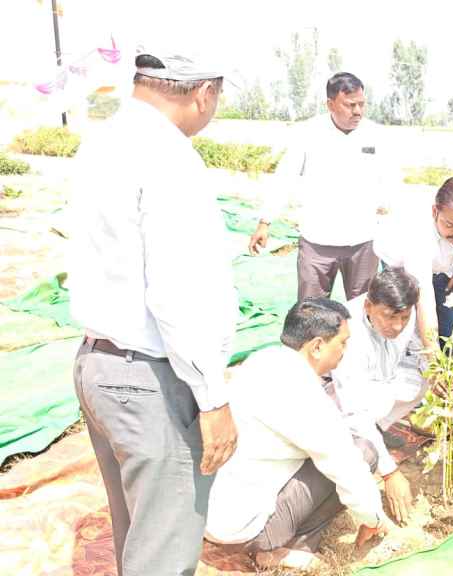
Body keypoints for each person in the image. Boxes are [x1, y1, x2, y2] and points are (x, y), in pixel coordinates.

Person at [68, 49, 238, 576]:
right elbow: (177, 292)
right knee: (163, 551)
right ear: (204, 93)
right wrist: (212, 398)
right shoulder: (170, 157)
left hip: (99, 364)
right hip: (150, 379)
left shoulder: (104, 139)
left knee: (139, 537)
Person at [205, 298, 391, 572]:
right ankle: (284, 548)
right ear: (317, 346)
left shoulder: (263, 359)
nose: (344, 351)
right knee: (362, 453)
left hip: (213, 513)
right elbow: (346, 465)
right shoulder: (303, 394)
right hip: (246, 529)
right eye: (342, 343)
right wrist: (374, 519)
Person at [248, 72, 393, 302]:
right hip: (317, 242)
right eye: (350, 105)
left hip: (363, 242)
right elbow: (284, 177)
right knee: (311, 311)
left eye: (361, 104)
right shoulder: (308, 134)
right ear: (330, 104)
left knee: (364, 310)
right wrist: (265, 222)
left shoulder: (376, 135)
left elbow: (392, 184)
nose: (357, 111)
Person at [332, 268, 427, 526]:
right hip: (342, 399)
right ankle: (363, 440)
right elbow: (353, 408)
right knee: (360, 420)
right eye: (389, 316)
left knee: (424, 381)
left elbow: (417, 349)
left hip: (382, 380)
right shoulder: (347, 334)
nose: (397, 326)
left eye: (404, 317)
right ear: (368, 306)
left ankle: (377, 430)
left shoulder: (407, 314)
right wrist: (390, 472)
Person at [373, 176, 453, 350]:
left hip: (441, 268)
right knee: (402, 320)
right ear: (434, 212)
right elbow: (425, 300)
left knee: (452, 329)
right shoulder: (420, 238)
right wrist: (433, 356)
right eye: (450, 225)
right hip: (399, 265)